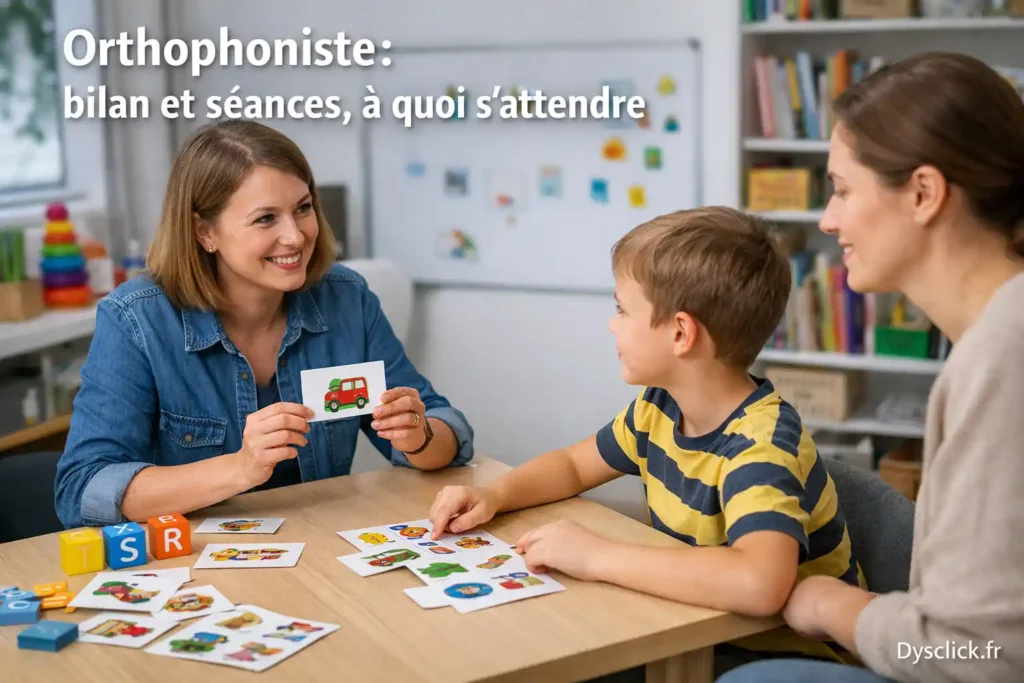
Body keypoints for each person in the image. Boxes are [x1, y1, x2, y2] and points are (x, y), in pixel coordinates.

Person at [428, 206, 866, 671]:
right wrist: (494, 494)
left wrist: (597, 555)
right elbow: (574, 466)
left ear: (681, 333)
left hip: (775, 659)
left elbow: (760, 584)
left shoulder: (759, 445)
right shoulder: (659, 405)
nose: (611, 323)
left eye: (622, 309)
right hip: (693, 630)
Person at [718, 52, 1024, 683]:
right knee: (832, 481)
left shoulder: (1003, 357)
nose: (829, 219)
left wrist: (835, 607)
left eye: (842, 189)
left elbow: (984, 658)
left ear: (923, 193)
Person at [54, 120, 473, 529]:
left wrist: (418, 436)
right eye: (265, 219)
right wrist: (240, 467)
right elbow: (82, 488)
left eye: (302, 208)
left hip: (321, 550)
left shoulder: (347, 298)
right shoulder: (136, 319)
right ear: (205, 232)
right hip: (191, 565)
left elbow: (446, 427)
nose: (295, 236)